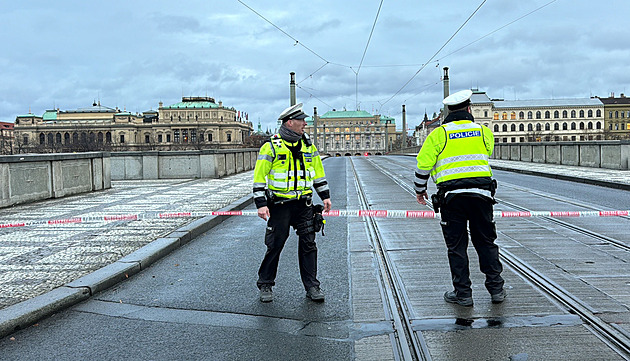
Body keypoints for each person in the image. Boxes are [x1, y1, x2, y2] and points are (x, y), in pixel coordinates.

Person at [414, 89, 506, 307]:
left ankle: (463, 294)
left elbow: (423, 165)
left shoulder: (439, 134)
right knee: (486, 242)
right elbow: (487, 152)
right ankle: (496, 289)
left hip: (452, 198)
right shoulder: (483, 131)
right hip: (482, 195)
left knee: (457, 246)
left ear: (448, 111)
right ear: (469, 108)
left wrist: (420, 190)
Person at [253, 103, 332, 303]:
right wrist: (261, 204)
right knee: (276, 244)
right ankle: (265, 284)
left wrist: (325, 196)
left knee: (309, 244)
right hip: (279, 205)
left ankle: (312, 286)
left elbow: (318, 175)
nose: (305, 123)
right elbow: (259, 178)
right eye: (301, 120)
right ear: (290, 122)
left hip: (304, 205)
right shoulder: (271, 146)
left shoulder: (308, 146)